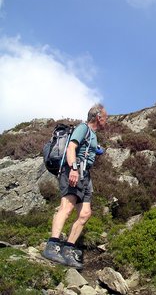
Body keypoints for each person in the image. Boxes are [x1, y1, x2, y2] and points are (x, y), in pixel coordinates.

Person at [42, 103, 107, 269]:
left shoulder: (92, 134)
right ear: (98, 117)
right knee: (67, 207)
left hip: (85, 176)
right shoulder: (82, 128)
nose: (107, 120)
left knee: (85, 214)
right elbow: (71, 147)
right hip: (74, 171)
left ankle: (69, 248)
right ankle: (52, 245)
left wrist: (98, 150)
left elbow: (89, 150)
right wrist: (73, 168)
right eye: (105, 116)